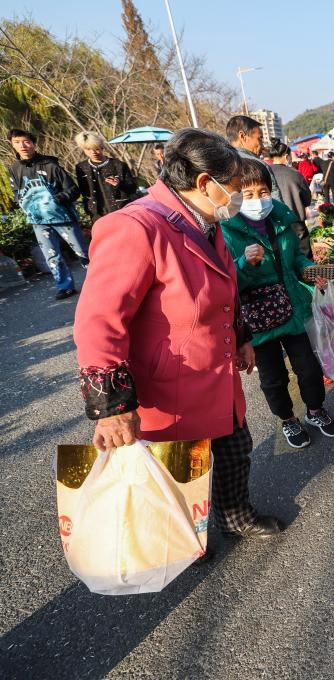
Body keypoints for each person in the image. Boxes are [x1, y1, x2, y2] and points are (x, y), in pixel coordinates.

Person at [73, 127, 284, 539]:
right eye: (235, 186)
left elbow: (223, 286)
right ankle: (184, 540)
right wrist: (112, 408)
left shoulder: (206, 220)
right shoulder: (136, 227)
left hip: (216, 371)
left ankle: (235, 515)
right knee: (182, 472)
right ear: (205, 183)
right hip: (171, 384)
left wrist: (240, 336)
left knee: (235, 449)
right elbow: (99, 320)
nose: (239, 196)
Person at [220, 157, 334, 449]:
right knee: (273, 378)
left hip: (293, 308)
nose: (257, 200)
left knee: (308, 367)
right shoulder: (225, 230)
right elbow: (226, 281)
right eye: (248, 194)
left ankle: (314, 410)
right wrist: (243, 263)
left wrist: (310, 271)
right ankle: (287, 419)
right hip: (257, 318)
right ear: (235, 195)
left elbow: (295, 258)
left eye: (262, 192)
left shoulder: (280, 218)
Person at [6, 128, 88, 300]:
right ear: (12, 145)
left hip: (63, 217)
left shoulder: (50, 165)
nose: (22, 146)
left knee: (82, 252)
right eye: (17, 142)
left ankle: (98, 281)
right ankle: (65, 286)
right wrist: (22, 202)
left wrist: (57, 199)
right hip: (38, 221)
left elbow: (73, 190)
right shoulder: (14, 169)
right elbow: (16, 192)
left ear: (34, 144)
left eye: (26, 142)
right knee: (52, 256)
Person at [73, 131, 140, 222]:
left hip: (121, 211)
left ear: (102, 147)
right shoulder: (81, 168)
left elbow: (133, 188)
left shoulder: (118, 165)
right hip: (97, 214)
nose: (93, 152)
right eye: (88, 149)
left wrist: (119, 184)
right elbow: (84, 192)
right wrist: (89, 209)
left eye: (96, 148)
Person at [266, 138, 312, 256]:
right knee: (304, 258)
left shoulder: (264, 173)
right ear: (287, 157)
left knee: (283, 257)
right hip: (296, 221)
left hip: (273, 222)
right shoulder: (295, 174)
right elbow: (307, 199)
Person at [225, 115, 281, 202]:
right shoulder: (258, 165)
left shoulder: (219, 165)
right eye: (260, 139)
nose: (262, 146)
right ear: (242, 136)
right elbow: (275, 202)